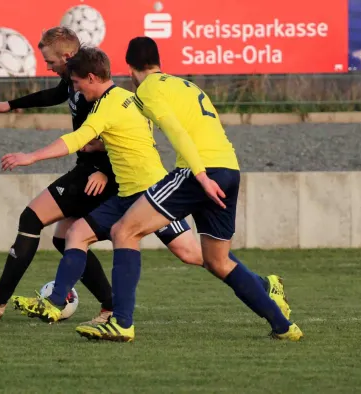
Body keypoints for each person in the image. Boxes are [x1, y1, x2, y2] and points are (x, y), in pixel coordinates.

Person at [0, 47, 296, 342]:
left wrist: (31, 157)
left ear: (94, 77)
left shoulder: (123, 98)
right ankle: (56, 302)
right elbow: (132, 135)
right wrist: (103, 151)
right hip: (128, 192)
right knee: (76, 233)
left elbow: (78, 138)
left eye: (76, 83)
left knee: (191, 253)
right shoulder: (137, 96)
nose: (73, 89)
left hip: (151, 187)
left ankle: (263, 286)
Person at [77, 36, 303, 342]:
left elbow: (176, 130)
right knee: (217, 261)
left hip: (200, 172)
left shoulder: (148, 89)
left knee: (123, 231)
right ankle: (284, 326)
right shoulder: (186, 85)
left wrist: (200, 175)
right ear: (158, 61)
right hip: (229, 170)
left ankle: (121, 322)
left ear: (130, 68)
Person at [0, 27, 117, 325]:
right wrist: (12, 105)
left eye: (50, 61)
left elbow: (121, 134)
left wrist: (104, 171)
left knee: (32, 218)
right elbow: (54, 94)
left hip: (94, 173)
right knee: (66, 239)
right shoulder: (73, 81)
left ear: (69, 57)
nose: (48, 66)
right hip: (87, 169)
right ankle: (110, 306)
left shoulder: (96, 89)